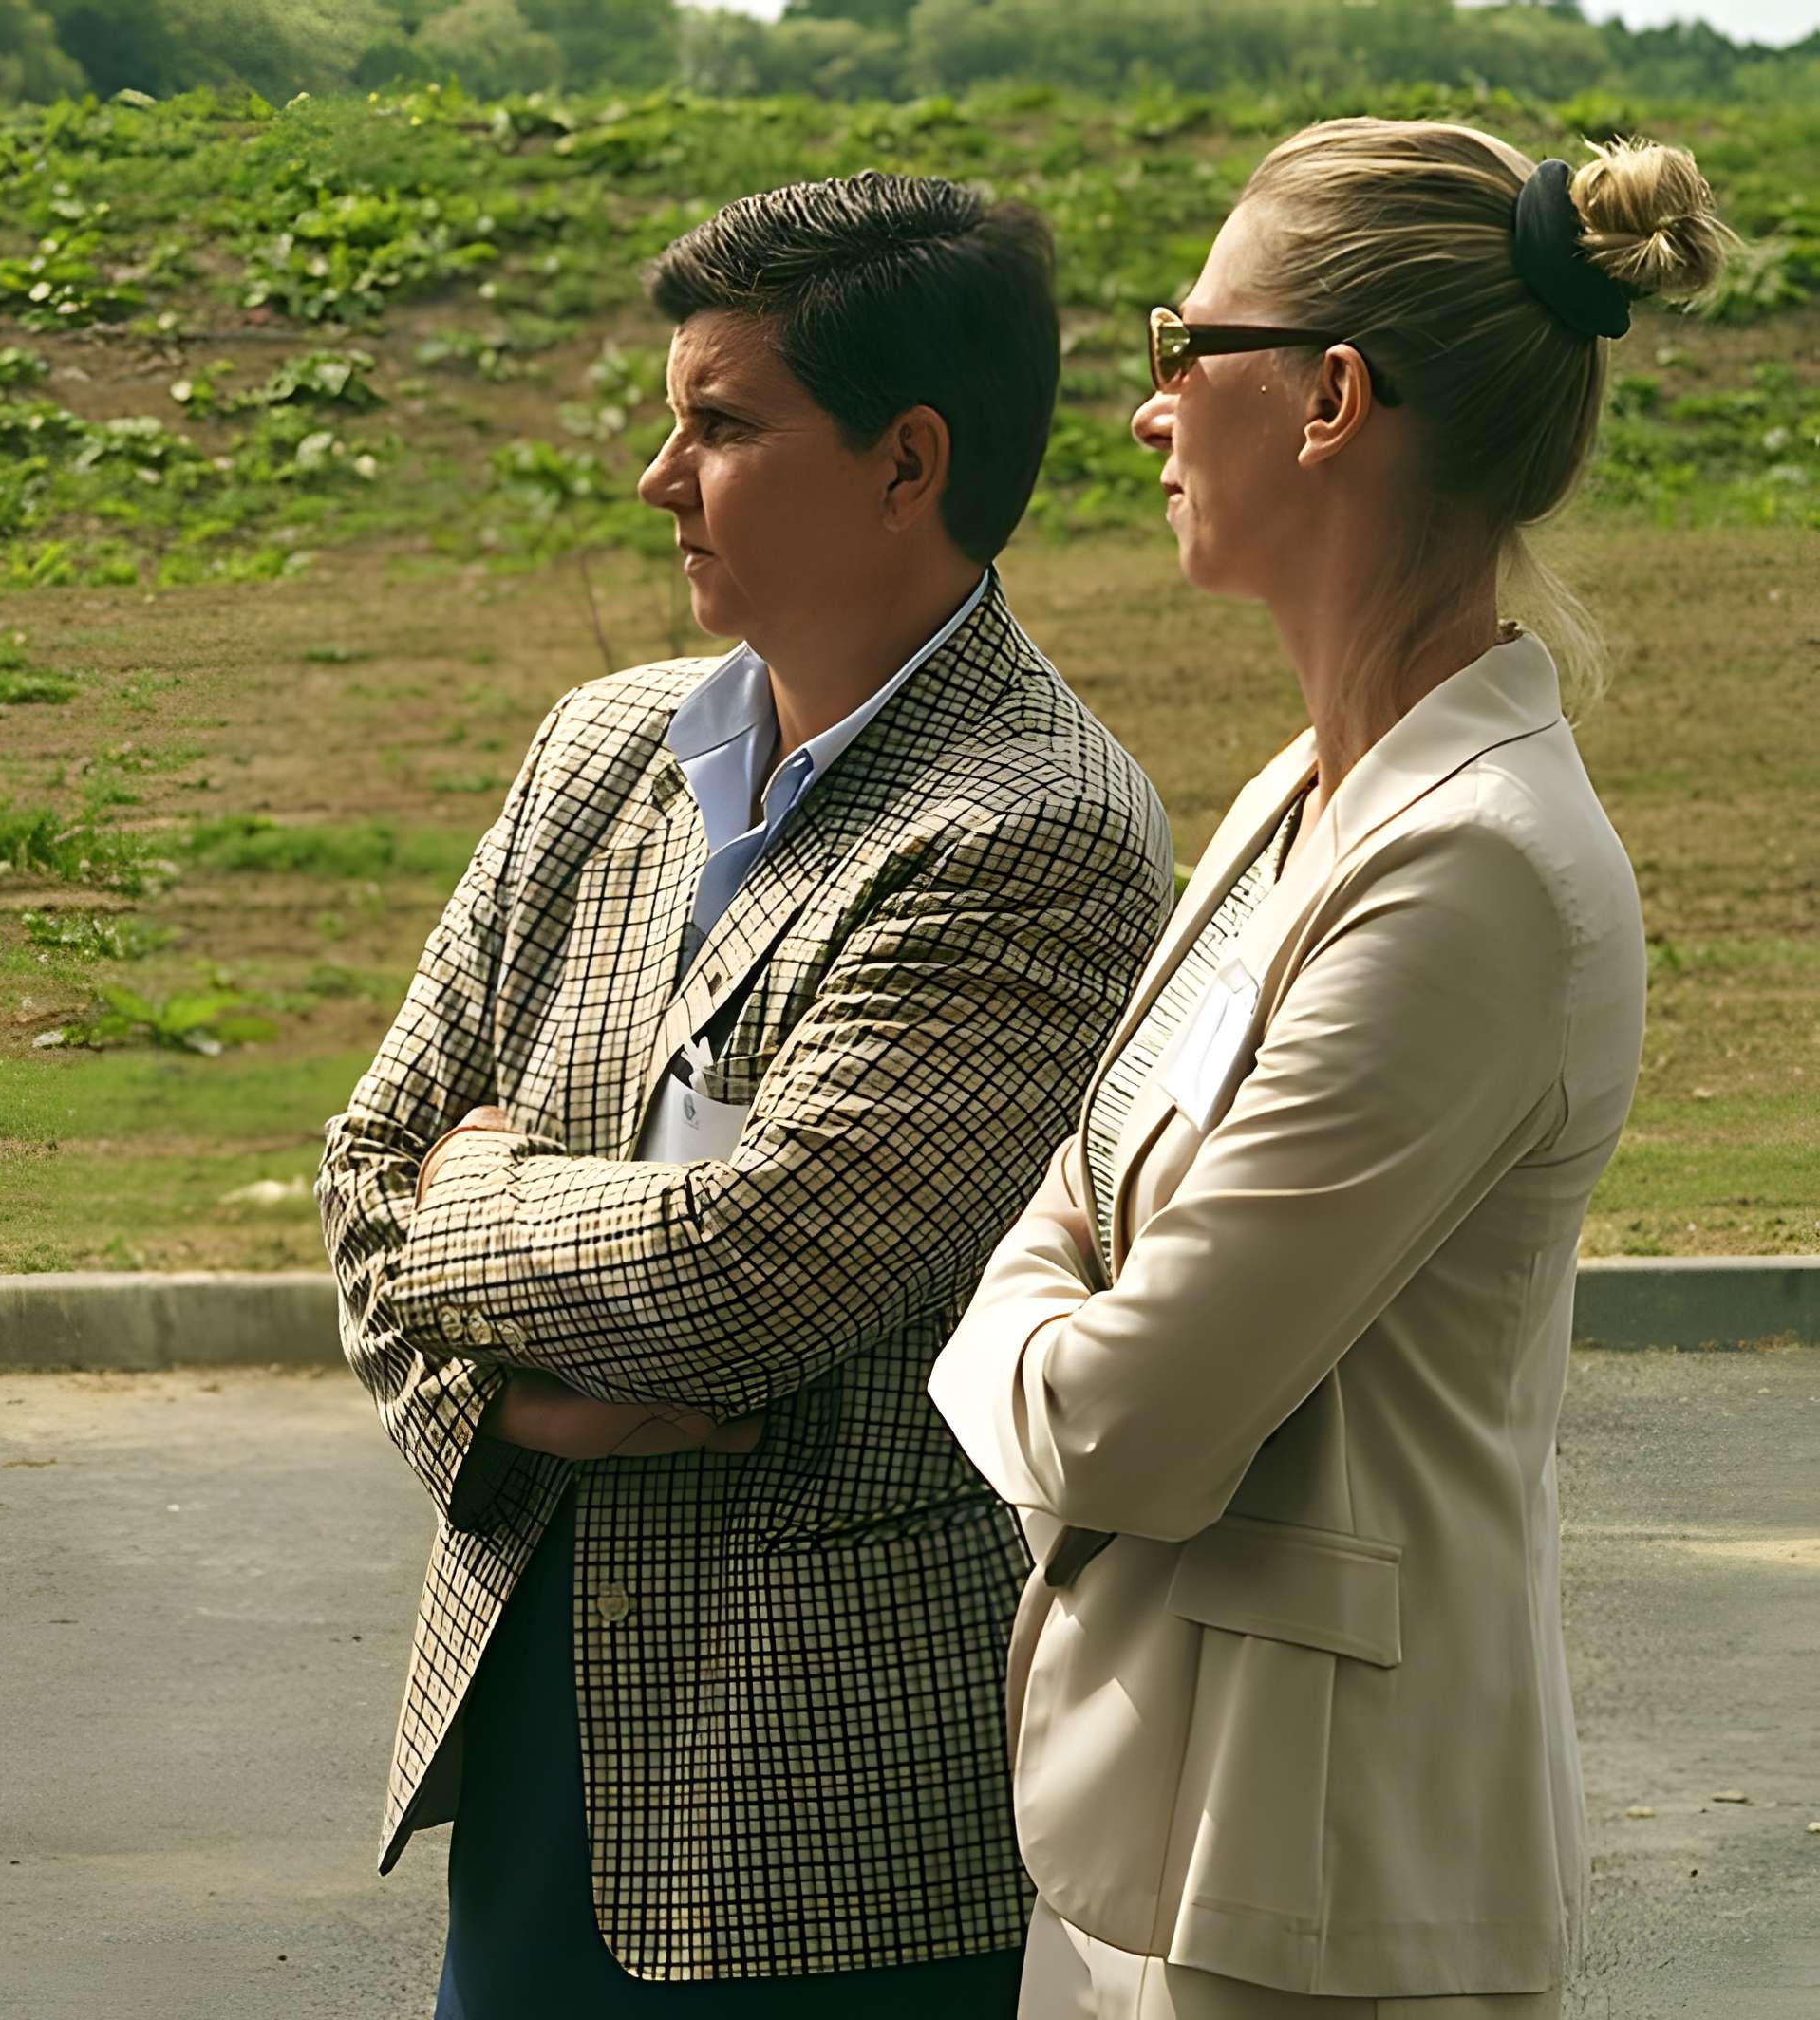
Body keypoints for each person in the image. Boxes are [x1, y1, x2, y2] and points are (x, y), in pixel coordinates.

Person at [318, 173, 1174, 2015]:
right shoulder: (602, 745)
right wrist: (504, 1411)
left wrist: (469, 1204)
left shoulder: (1038, 829)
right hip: (531, 1727)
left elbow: (743, 1268)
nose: (658, 472)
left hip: (822, 1825)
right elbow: (360, 1161)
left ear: (904, 461)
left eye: (719, 422)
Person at [928, 127, 1739, 2018]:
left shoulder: (1473, 871)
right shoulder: (1308, 798)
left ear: (1330, 396)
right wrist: (1061, 1301)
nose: (1145, 409)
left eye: (1180, 343)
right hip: (1169, 1839)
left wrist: (1002, 1328)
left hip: (1322, 1891)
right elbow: (1087, 1200)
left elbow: (1132, 1413)